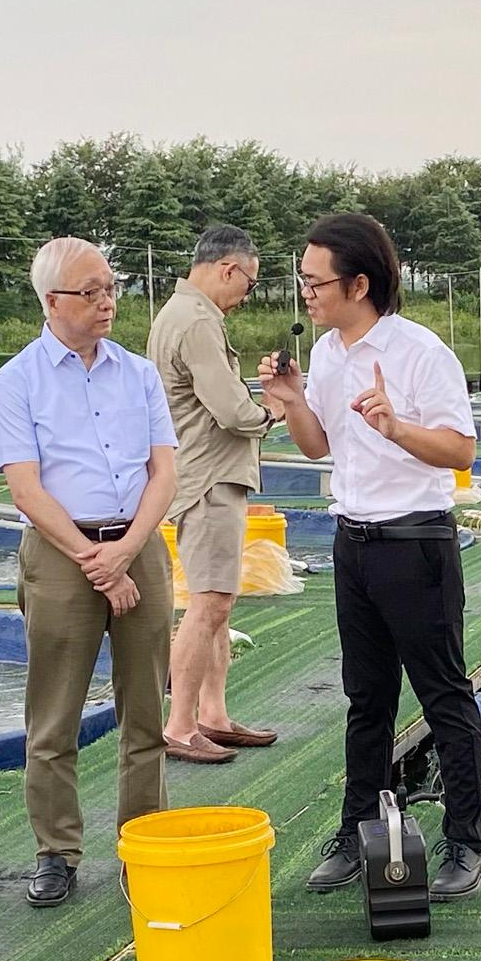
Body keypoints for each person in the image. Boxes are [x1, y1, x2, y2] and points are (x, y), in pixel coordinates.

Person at [259, 214, 481, 902]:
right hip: (352, 542)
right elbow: (316, 446)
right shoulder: (328, 352)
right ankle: (357, 831)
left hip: (414, 541)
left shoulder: (418, 353)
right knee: (366, 699)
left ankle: (466, 841)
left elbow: (460, 451)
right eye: (300, 279)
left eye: (314, 280)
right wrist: (292, 400)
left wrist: (396, 425)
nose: (305, 292)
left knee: (443, 694)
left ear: (359, 283)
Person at [0, 237, 179, 908]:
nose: (105, 303)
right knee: (54, 716)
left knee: (146, 708)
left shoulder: (138, 373)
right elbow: (25, 488)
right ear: (51, 302)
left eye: (110, 289)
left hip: (138, 544)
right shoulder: (16, 381)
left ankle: (143, 843)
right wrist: (95, 560)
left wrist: (126, 549)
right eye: (90, 292)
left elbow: (164, 469)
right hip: (60, 552)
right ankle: (56, 850)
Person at [147, 224, 279, 764]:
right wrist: (274, 409)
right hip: (208, 479)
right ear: (228, 269)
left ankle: (213, 714)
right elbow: (232, 410)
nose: (245, 298)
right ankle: (179, 725)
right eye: (247, 286)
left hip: (201, 473)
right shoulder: (198, 321)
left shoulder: (178, 315)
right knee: (208, 604)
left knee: (216, 603)